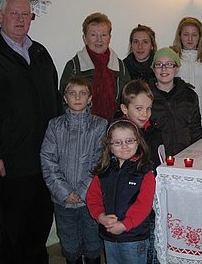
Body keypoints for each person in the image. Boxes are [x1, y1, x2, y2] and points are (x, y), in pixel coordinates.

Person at [0, 0, 61, 264]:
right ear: (0, 17)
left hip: (45, 156)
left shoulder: (40, 52)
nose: (21, 19)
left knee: (41, 221)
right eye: (14, 14)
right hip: (10, 159)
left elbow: (54, 101)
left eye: (25, 14)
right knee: (14, 228)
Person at [40, 76, 108, 264]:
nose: (77, 98)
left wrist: (83, 191)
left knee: (93, 241)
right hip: (63, 201)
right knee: (69, 243)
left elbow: (100, 160)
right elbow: (48, 159)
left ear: (90, 98)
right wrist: (65, 192)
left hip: (91, 199)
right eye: (72, 93)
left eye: (82, 93)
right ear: (65, 98)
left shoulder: (100, 125)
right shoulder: (55, 126)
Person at [86, 120, 156, 264]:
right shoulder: (104, 171)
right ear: (110, 147)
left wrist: (124, 225)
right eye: (117, 142)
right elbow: (93, 198)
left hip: (134, 237)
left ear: (138, 143)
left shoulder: (145, 172)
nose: (124, 146)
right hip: (109, 235)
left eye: (129, 141)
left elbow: (144, 205)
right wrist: (101, 217)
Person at [119, 79, 164, 264]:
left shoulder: (153, 132)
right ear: (124, 109)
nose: (145, 114)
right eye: (138, 108)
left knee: (153, 247)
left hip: (151, 200)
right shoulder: (120, 136)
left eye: (148, 108)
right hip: (130, 204)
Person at [60, 12, 131, 121]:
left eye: (103, 35)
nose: (99, 40)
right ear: (85, 38)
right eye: (93, 35)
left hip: (114, 129)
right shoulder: (74, 67)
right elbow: (64, 102)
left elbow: (128, 101)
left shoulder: (120, 67)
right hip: (82, 129)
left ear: (109, 38)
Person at [171, 17, 202, 138]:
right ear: (180, 36)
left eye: (194, 35)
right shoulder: (172, 57)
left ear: (200, 37)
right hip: (180, 122)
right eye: (186, 34)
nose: (190, 39)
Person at [148, 47, 202, 156]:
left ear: (176, 68)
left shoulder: (189, 95)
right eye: (159, 65)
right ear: (153, 69)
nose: (164, 69)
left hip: (186, 158)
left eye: (169, 64)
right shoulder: (145, 97)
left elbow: (196, 131)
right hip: (156, 160)